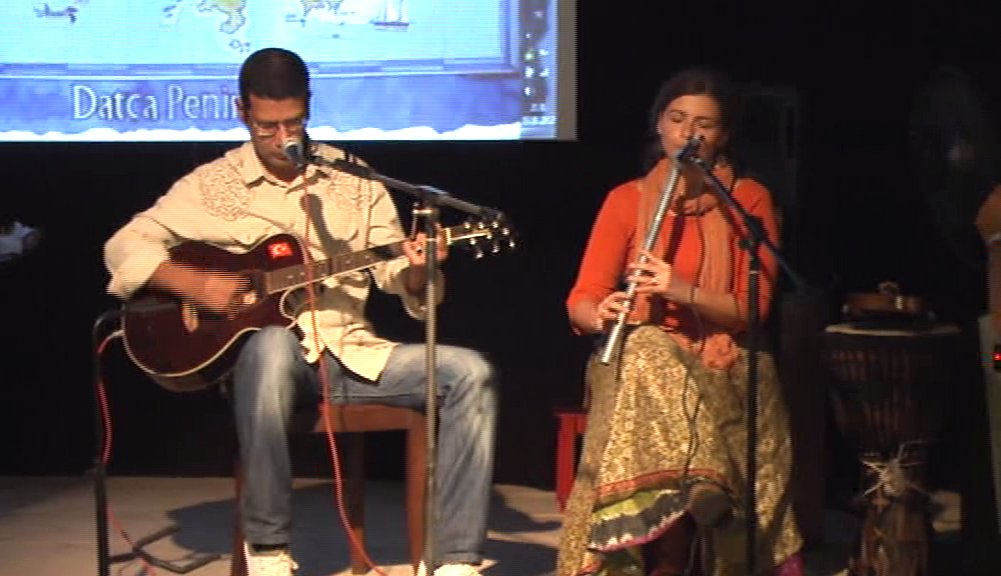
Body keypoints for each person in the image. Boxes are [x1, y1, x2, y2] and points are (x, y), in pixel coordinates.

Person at [103, 47, 498, 576]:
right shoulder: (209, 185)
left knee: (471, 371)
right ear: (242, 112)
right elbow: (122, 245)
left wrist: (417, 269)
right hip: (267, 368)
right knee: (269, 344)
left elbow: (392, 274)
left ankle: (456, 560)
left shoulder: (353, 178)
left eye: (293, 123)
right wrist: (192, 283)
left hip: (352, 354)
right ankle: (268, 551)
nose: (282, 137)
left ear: (308, 107)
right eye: (267, 126)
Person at [557, 67, 803, 575]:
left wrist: (679, 290)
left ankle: (692, 512)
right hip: (642, 360)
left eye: (704, 125)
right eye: (677, 119)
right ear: (659, 125)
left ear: (723, 136)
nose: (689, 133)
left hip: (725, 356)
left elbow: (752, 310)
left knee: (705, 367)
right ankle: (702, 486)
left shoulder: (749, 200)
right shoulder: (626, 200)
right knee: (646, 348)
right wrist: (600, 313)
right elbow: (582, 297)